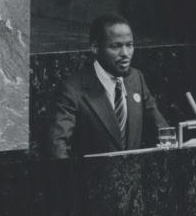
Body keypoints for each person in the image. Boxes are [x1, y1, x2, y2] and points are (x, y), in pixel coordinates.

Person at [49, 13, 169, 159]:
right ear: (95, 47)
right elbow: (58, 149)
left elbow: (162, 131)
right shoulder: (72, 89)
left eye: (129, 45)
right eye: (116, 46)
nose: (125, 53)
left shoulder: (136, 78)